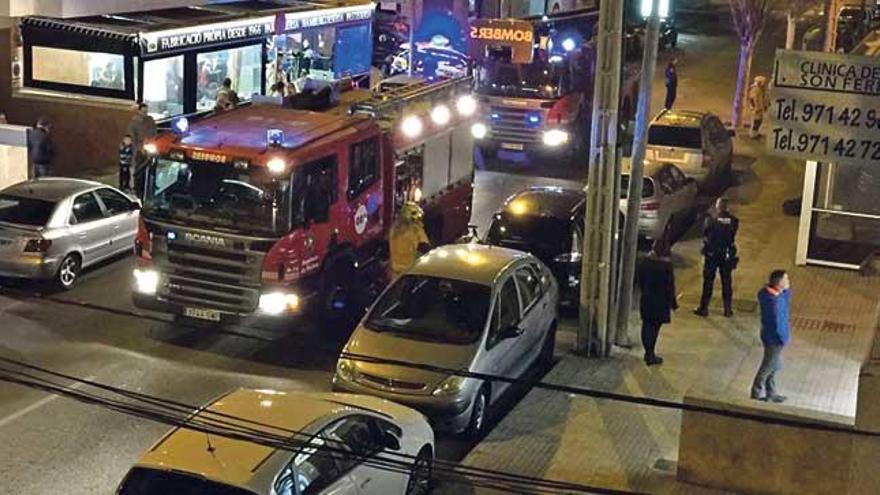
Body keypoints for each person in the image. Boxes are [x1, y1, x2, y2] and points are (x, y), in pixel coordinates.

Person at [694, 197, 739, 317]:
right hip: (726, 254)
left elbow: (705, 232)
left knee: (708, 282)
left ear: (718, 207)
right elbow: (733, 233)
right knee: (727, 282)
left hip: (712, 254)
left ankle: (704, 308)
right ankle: (727, 309)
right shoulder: (734, 220)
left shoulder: (710, 220)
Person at [751, 270, 791, 403]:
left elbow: (786, 295)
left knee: (774, 365)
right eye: (786, 280)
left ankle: (771, 393)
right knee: (768, 366)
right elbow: (776, 322)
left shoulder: (770, 294)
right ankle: (755, 395)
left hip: (770, 336)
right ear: (779, 283)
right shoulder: (773, 302)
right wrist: (782, 338)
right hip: (774, 338)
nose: (788, 282)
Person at [636, 239, 678, 366]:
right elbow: (670, 287)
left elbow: (640, 279)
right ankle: (650, 353)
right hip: (660, 301)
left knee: (646, 324)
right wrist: (673, 303)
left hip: (647, 298)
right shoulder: (666, 266)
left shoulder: (645, 262)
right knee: (654, 327)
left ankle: (647, 351)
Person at [389, 202, 430, 279]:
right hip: (411, 273)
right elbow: (425, 248)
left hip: (395, 274)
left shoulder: (393, 230)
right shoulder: (416, 229)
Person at [126, 103, 157, 197]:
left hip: (150, 147)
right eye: (143, 111)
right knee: (139, 170)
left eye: (146, 111)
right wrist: (138, 148)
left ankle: (151, 185)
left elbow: (154, 132)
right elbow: (132, 137)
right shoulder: (134, 122)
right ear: (139, 111)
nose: (145, 113)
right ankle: (138, 188)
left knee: (152, 167)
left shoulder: (150, 120)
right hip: (139, 149)